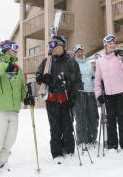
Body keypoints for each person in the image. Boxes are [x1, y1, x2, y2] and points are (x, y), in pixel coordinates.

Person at [0, 40, 33, 176]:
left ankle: (1, 164)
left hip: (14, 110)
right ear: (5, 49)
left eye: (18, 47)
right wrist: (5, 65)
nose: (16, 50)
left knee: (9, 140)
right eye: (14, 47)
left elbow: (20, 88)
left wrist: (26, 97)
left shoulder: (17, 68)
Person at [36, 36, 82, 164]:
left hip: (66, 100)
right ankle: (57, 153)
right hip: (51, 101)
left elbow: (77, 82)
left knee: (67, 127)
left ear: (62, 46)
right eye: (50, 46)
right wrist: (43, 78)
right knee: (55, 128)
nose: (52, 48)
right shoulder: (47, 61)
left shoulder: (71, 62)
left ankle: (69, 150)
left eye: (55, 45)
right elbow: (38, 76)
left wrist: (73, 98)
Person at [94, 34, 123, 154]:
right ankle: (112, 145)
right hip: (109, 95)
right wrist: (98, 94)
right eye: (110, 43)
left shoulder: (119, 57)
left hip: (122, 93)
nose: (112, 45)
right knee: (110, 121)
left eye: (114, 43)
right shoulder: (100, 61)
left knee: (122, 120)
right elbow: (97, 79)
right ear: (105, 44)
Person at [72, 43, 99, 147]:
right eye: (77, 52)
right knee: (81, 117)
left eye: (81, 51)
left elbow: (93, 76)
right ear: (75, 54)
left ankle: (92, 138)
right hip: (80, 94)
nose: (80, 53)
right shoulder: (73, 64)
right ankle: (82, 140)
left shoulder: (88, 63)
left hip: (90, 93)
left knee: (93, 116)